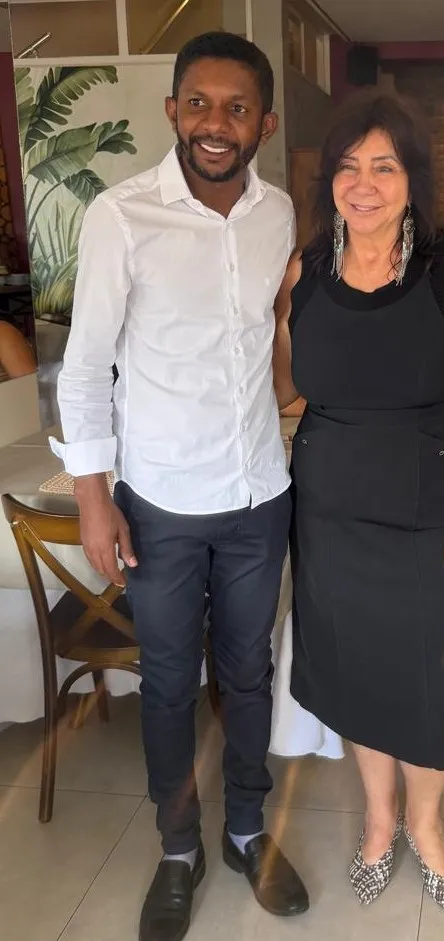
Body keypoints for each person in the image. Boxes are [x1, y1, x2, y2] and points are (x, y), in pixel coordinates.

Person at [51, 32, 308, 941]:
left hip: (258, 494)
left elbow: (273, 341)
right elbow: (85, 367)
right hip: (158, 501)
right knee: (166, 682)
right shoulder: (122, 216)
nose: (215, 123)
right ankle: (177, 847)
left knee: (248, 673)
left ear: (263, 123)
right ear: (172, 110)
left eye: (237, 108)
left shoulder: (278, 214)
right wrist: (94, 496)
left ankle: (244, 830)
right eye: (198, 103)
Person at [273, 91, 444, 916]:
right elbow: (287, 388)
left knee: (424, 680)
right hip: (328, 514)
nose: (363, 183)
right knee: (354, 674)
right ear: (328, 181)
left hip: (428, 515)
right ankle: (379, 820)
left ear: (412, 179)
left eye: (384, 165)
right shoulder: (305, 272)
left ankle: (425, 823)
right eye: (347, 167)